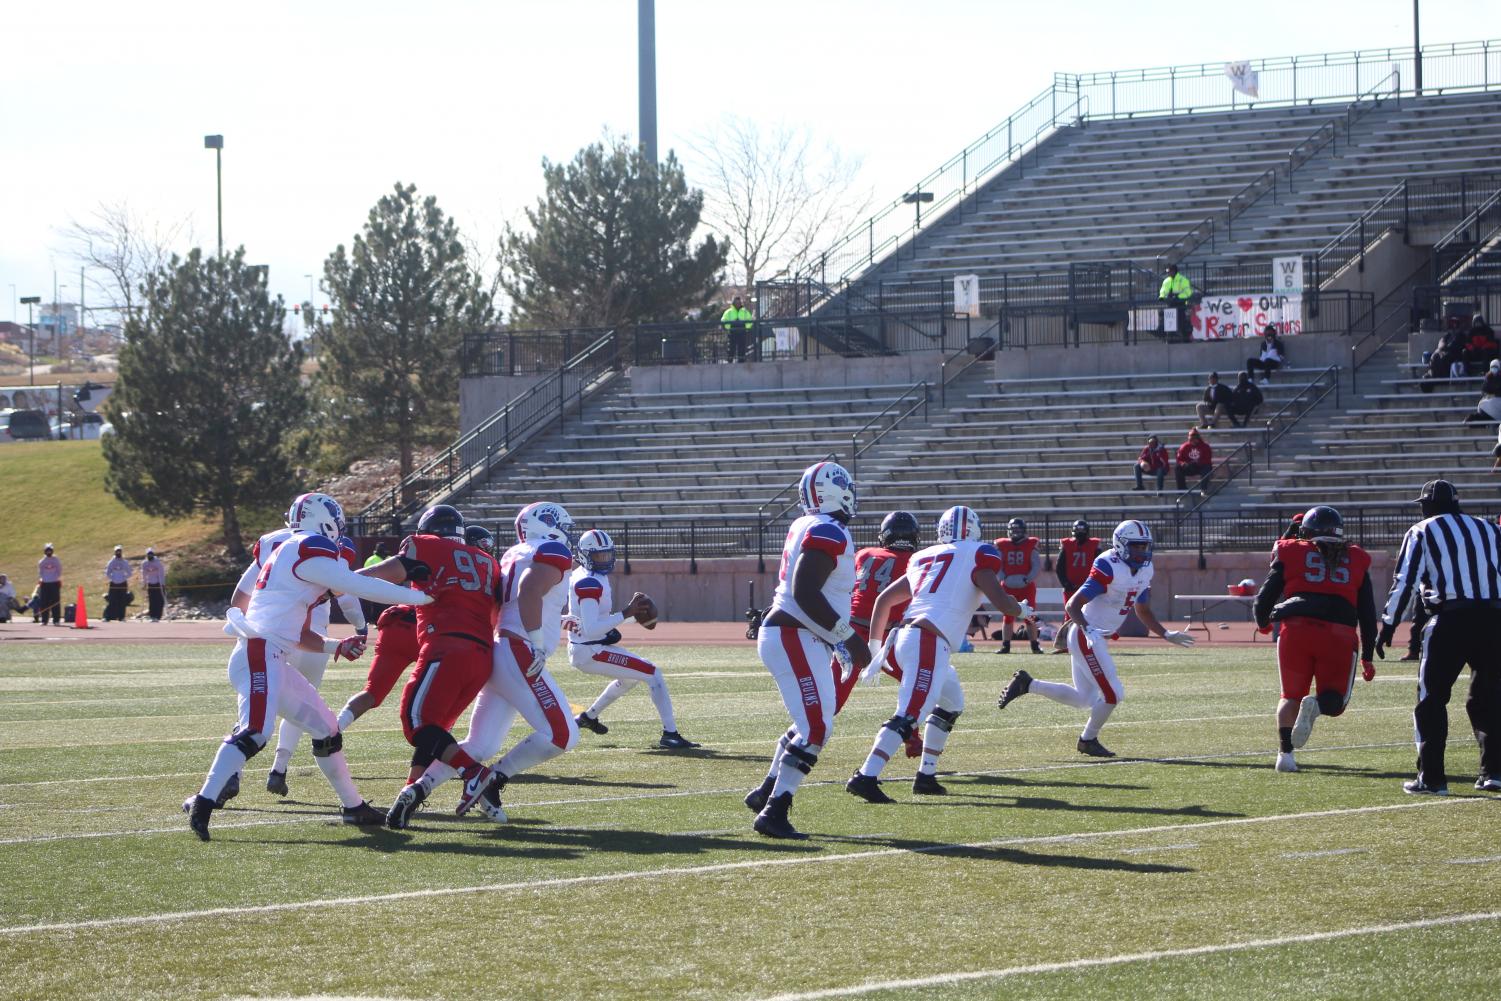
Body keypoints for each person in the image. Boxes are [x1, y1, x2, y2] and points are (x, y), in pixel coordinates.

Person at [183, 492, 429, 840]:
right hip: (258, 652)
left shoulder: (289, 552)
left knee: (327, 729)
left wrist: (334, 645)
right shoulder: (306, 546)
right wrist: (421, 597)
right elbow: (357, 584)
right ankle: (203, 804)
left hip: (272, 655)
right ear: (323, 521)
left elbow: (298, 632)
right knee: (255, 732)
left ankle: (353, 807)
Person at [846, 506, 1028, 802]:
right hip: (928, 641)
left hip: (904, 638)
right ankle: (866, 776)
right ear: (974, 529)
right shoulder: (980, 553)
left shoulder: (922, 557)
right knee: (909, 714)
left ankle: (926, 776)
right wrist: (1020, 609)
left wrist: (875, 650)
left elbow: (883, 600)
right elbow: (1004, 604)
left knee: (951, 703)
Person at [743, 461, 870, 839]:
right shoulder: (828, 529)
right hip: (795, 634)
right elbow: (805, 591)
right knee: (816, 727)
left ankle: (767, 790)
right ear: (838, 492)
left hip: (800, 634)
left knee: (814, 721)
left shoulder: (809, 525)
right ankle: (774, 811)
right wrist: (848, 637)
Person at [997, 520, 1196, 756]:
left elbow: (1142, 608)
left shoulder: (1144, 569)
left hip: (1093, 636)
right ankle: (1087, 739)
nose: (1142, 552)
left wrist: (1165, 634)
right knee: (1113, 693)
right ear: (1121, 545)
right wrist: (1088, 629)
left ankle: (1027, 684)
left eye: (1144, 546)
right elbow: (1073, 605)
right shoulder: (1108, 565)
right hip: (1086, 634)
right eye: (1136, 546)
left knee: (1083, 699)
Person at [449, 502, 583, 824]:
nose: (567, 534)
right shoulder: (550, 550)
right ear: (548, 525)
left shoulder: (512, 554)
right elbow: (527, 593)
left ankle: (417, 789)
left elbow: (509, 600)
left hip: (499, 648)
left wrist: (553, 619)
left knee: (480, 745)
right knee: (563, 735)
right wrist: (536, 642)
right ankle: (494, 779)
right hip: (519, 648)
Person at [383, 507, 509, 830]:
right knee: (435, 728)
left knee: (416, 721)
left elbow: (393, 572)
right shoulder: (488, 562)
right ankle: (410, 789)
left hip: (447, 647)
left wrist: (345, 582)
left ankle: (474, 773)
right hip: (482, 657)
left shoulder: (425, 545)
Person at [1377, 479, 1501, 795]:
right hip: (1494, 618)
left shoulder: (1422, 530)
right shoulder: (1488, 529)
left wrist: (1389, 625)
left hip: (1450, 619)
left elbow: (1405, 581)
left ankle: (1432, 778)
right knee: (1489, 698)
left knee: (1431, 699)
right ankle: (1494, 772)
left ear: (1427, 506)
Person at [228, 522, 370, 798]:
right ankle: (279, 768)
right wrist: (361, 628)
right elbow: (349, 599)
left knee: (255, 703)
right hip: (313, 637)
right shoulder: (332, 547)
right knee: (303, 706)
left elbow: (239, 598)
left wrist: (248, 627)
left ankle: (232, 772)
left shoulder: (274, 542)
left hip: (272, 633)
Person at [1254, 506, 1377, 772]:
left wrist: (1263, 622)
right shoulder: (1357, 557)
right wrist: (1368, 654)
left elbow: (1264, 597)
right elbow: (1367, 612)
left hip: (1295, 630)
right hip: (1339, 633)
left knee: (1289, 696)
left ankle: (1285, 755)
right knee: (1334, 702)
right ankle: (1317, 705)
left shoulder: (1290, 550)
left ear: (1306, 531)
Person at [568, 528, 699, 749]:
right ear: (584, 555)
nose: (604, 561)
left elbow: (593, 621)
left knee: (631, 678)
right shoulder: (588, 582)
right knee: (652, 673)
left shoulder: (590, 576)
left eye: (607, 555)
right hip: (590, 651)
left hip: (592, 647)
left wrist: (621, 620)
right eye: (599, 556)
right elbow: (591, 629)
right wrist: (626, 614)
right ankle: (670, 734)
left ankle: (588, 717)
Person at [834, 511, 922, 755]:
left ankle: (798, 739)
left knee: (831, 702)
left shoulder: (864, 554)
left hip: (850, 634)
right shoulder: (916, 561)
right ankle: (911, 737)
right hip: (887, 636)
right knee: (918, 683)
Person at [994, 518, 1043, 655]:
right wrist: (1003, 577)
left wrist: (1028, 579)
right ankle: (1006, 646)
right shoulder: (1002, 545)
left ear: (1024, 531)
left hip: (1026, 586)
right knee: (1008, 617)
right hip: (1008, 586)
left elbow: (1036, 565)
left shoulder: (1030, 544)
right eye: (1013, 529)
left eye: (1018, 530)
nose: (1015, 532)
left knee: (1030, 616)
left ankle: (1035, 645)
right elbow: (998, 564)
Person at [1055, 518, 1101, 617]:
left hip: (1088, 587)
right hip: (1071, 587)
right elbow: (1059, 568)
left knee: (1091, 615)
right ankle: (1068, 633)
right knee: (1070, 617)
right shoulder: (1067, 545)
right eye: (1078, 530)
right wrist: (1066, 584)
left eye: (1082, 530)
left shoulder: (1094, 546)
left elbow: (1100, 567)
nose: (1080, 533)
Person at [1158, 264, 1193, 338]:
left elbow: (1188, 292)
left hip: (1181, 304)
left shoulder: (1183, 280)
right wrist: (1162, 296)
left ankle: (1183, 336)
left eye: (1169, 272)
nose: (1168, 273)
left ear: (1174, 271)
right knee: (1169, 320)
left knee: (1181, 320)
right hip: (1170, 304)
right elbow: (1163, 290)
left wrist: (1178, 297)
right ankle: (1170, 336)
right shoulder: (1166, 281)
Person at [1462, 359, 1501, 424]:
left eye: (1496, 367)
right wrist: (1488, 395)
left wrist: (1495, 394)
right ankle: (1471, 419)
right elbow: (1484, 390)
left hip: (1498, 400)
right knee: (1482, 405)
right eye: (1492, 367)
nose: (1494, 369)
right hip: (1490, 400)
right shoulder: (1488, 377)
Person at [1175, 428, 1214, 492]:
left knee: (1207, 467)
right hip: (1189, 467)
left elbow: (1208, 460)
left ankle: (1203, 489)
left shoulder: (1205, 446)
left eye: (1194, 439)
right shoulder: (1184, 447)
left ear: (1198, 438)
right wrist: (1183, 463)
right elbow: (1179, 459)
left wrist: (1198, 462)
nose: (1192, 441)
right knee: (1177, 468)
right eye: (1191, 439)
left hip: (1201, 466)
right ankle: (1182, 489)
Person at [361, 542, 391, 622]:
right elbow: (365, 573)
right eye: (380, 549)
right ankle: (377, 622)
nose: (382, 551)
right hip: (375, 585)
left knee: (389, 603)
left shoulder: (390, 559)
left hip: (388, 585)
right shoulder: (371, 560)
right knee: (377, 604)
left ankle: (389, 621)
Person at [721, 295, 754, 363]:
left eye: (739, 302)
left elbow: (750, 320)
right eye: (736, 302)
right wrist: (728, 327)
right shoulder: (728, 312)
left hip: (742, 332)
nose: (738, 304)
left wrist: (746, 327)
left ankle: (741, 361)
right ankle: (730, 361)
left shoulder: (745, 312)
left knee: (741, 348)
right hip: (732, 332)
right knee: (731, 348)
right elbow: (723, 320)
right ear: (733, 303)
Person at [103, 545, 132, 622]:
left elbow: (129, 572)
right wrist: (113, 578)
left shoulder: (124, 562)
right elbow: (107, 572)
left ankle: (121, 617)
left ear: (121, 552)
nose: (118, 552)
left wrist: (123, 578)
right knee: (112, 600)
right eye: (117, 551)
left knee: (122, 601)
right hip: (114, 584)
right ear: (115, 552)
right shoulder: (111, 562)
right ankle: (108, 617)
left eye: (119, 551)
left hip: (122, 584)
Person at [35, 544, 61, 625]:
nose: (49, 552)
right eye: (47, 550)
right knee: (44, 602)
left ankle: (56, 620)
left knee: (55, 602)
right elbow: (40, 572)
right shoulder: (42, 561)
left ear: (52, 551)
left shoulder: (56, 560)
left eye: (50, 550)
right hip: (45, 583)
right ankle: (44, 620)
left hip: (54, 583)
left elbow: (59, 569)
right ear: (45, 551)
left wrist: (55, 578)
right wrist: (44, 579)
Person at [140, 548, 166, 621]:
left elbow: (161, 573)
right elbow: (144, 574)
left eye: (151, 554)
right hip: (150, 583)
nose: (150, 556)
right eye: (149, 554)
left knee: (159, 600)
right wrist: (144, 583)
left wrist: (162, 583)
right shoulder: (144, 563)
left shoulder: (157, 563)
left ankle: (158, 616)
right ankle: (152, 615)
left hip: (158, 583)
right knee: (152, 600)